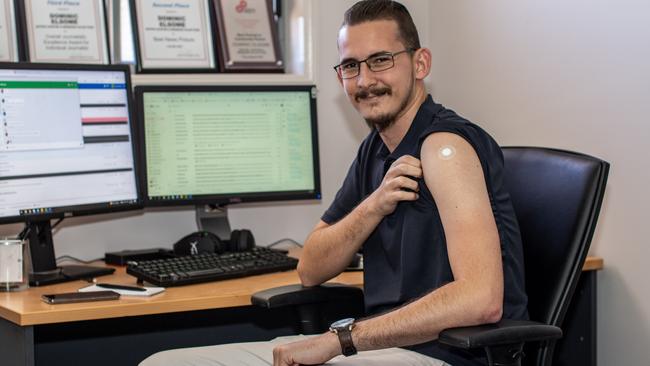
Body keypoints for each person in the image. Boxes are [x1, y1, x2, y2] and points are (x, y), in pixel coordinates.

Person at [140, 1, 528, 365]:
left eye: (380, 61)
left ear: (420, 62)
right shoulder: (374, 151)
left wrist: (338, 340)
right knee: (161, 362)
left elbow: (482, 300)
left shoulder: (445, 148)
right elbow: (311, 269)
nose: (364, 81)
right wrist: (374, 204)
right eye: (350, 66)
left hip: (441, 355)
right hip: (382, 347)